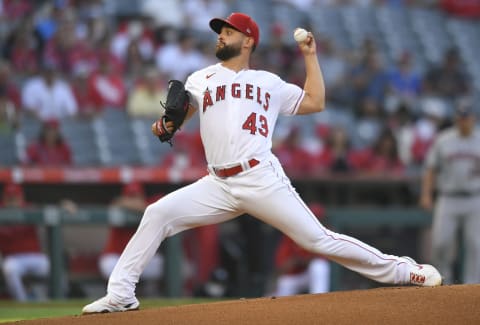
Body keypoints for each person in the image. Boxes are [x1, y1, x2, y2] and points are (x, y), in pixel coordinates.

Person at [82, 12, 441, 314]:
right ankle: (121, 295)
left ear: (249, 40)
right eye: (219, 33)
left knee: (318, 240)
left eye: (227, 32)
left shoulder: (268, 82)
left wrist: (310, 56)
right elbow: (179, 116)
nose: (220, 37)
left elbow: (315, 101)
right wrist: (166, 124)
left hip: (260, 176)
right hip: (218, 183)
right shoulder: (201, 78)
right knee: (156, 214)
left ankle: (404, 271)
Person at [419, 99, 480, 285]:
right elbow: (430, 169)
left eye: (467, 118)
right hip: (448, 198)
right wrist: (426, 194)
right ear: (456, 119)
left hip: (474, 198)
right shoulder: (444, 140)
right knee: (441, 243)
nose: (464, 121)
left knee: (476, 246)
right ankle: (443, 283)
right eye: (461, 118)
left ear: (473, 119)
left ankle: (473, 287)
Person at [99, 182, 164, 296]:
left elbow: (156, 205)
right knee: (108, 265)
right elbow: (117, 203)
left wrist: (135, 205)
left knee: (167, 265)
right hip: (117, 258)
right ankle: (117, 296)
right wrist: (125, 203)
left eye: (136, 196)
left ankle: (152, 293)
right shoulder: (117, 206)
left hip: (142, 259)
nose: (133, 200)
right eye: (130, 196)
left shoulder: (150, 206)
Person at [0, 183, 50, 301]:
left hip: (34, 257)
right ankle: (22, 301)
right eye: (9, 197)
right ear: (4, 198)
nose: (12, 201)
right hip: (13, 259)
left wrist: (63, 207)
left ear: (21, 197)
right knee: (9, 269)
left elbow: (49, 212)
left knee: (53, 268)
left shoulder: (29, 208)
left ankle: (50, 300)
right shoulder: (1, 210)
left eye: (15, 197)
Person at [273, 203, 330, 296]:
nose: (315, 222)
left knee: (319, 266)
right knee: (284, 283)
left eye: (317, 219)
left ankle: (319, 299)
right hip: (297, 275)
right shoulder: (292, 234)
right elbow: (281, 267)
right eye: (313, 219)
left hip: (310, 274)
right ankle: (281, 309)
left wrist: (300, 260)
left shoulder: (325, 235)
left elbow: (322, 258)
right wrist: (297, 261)